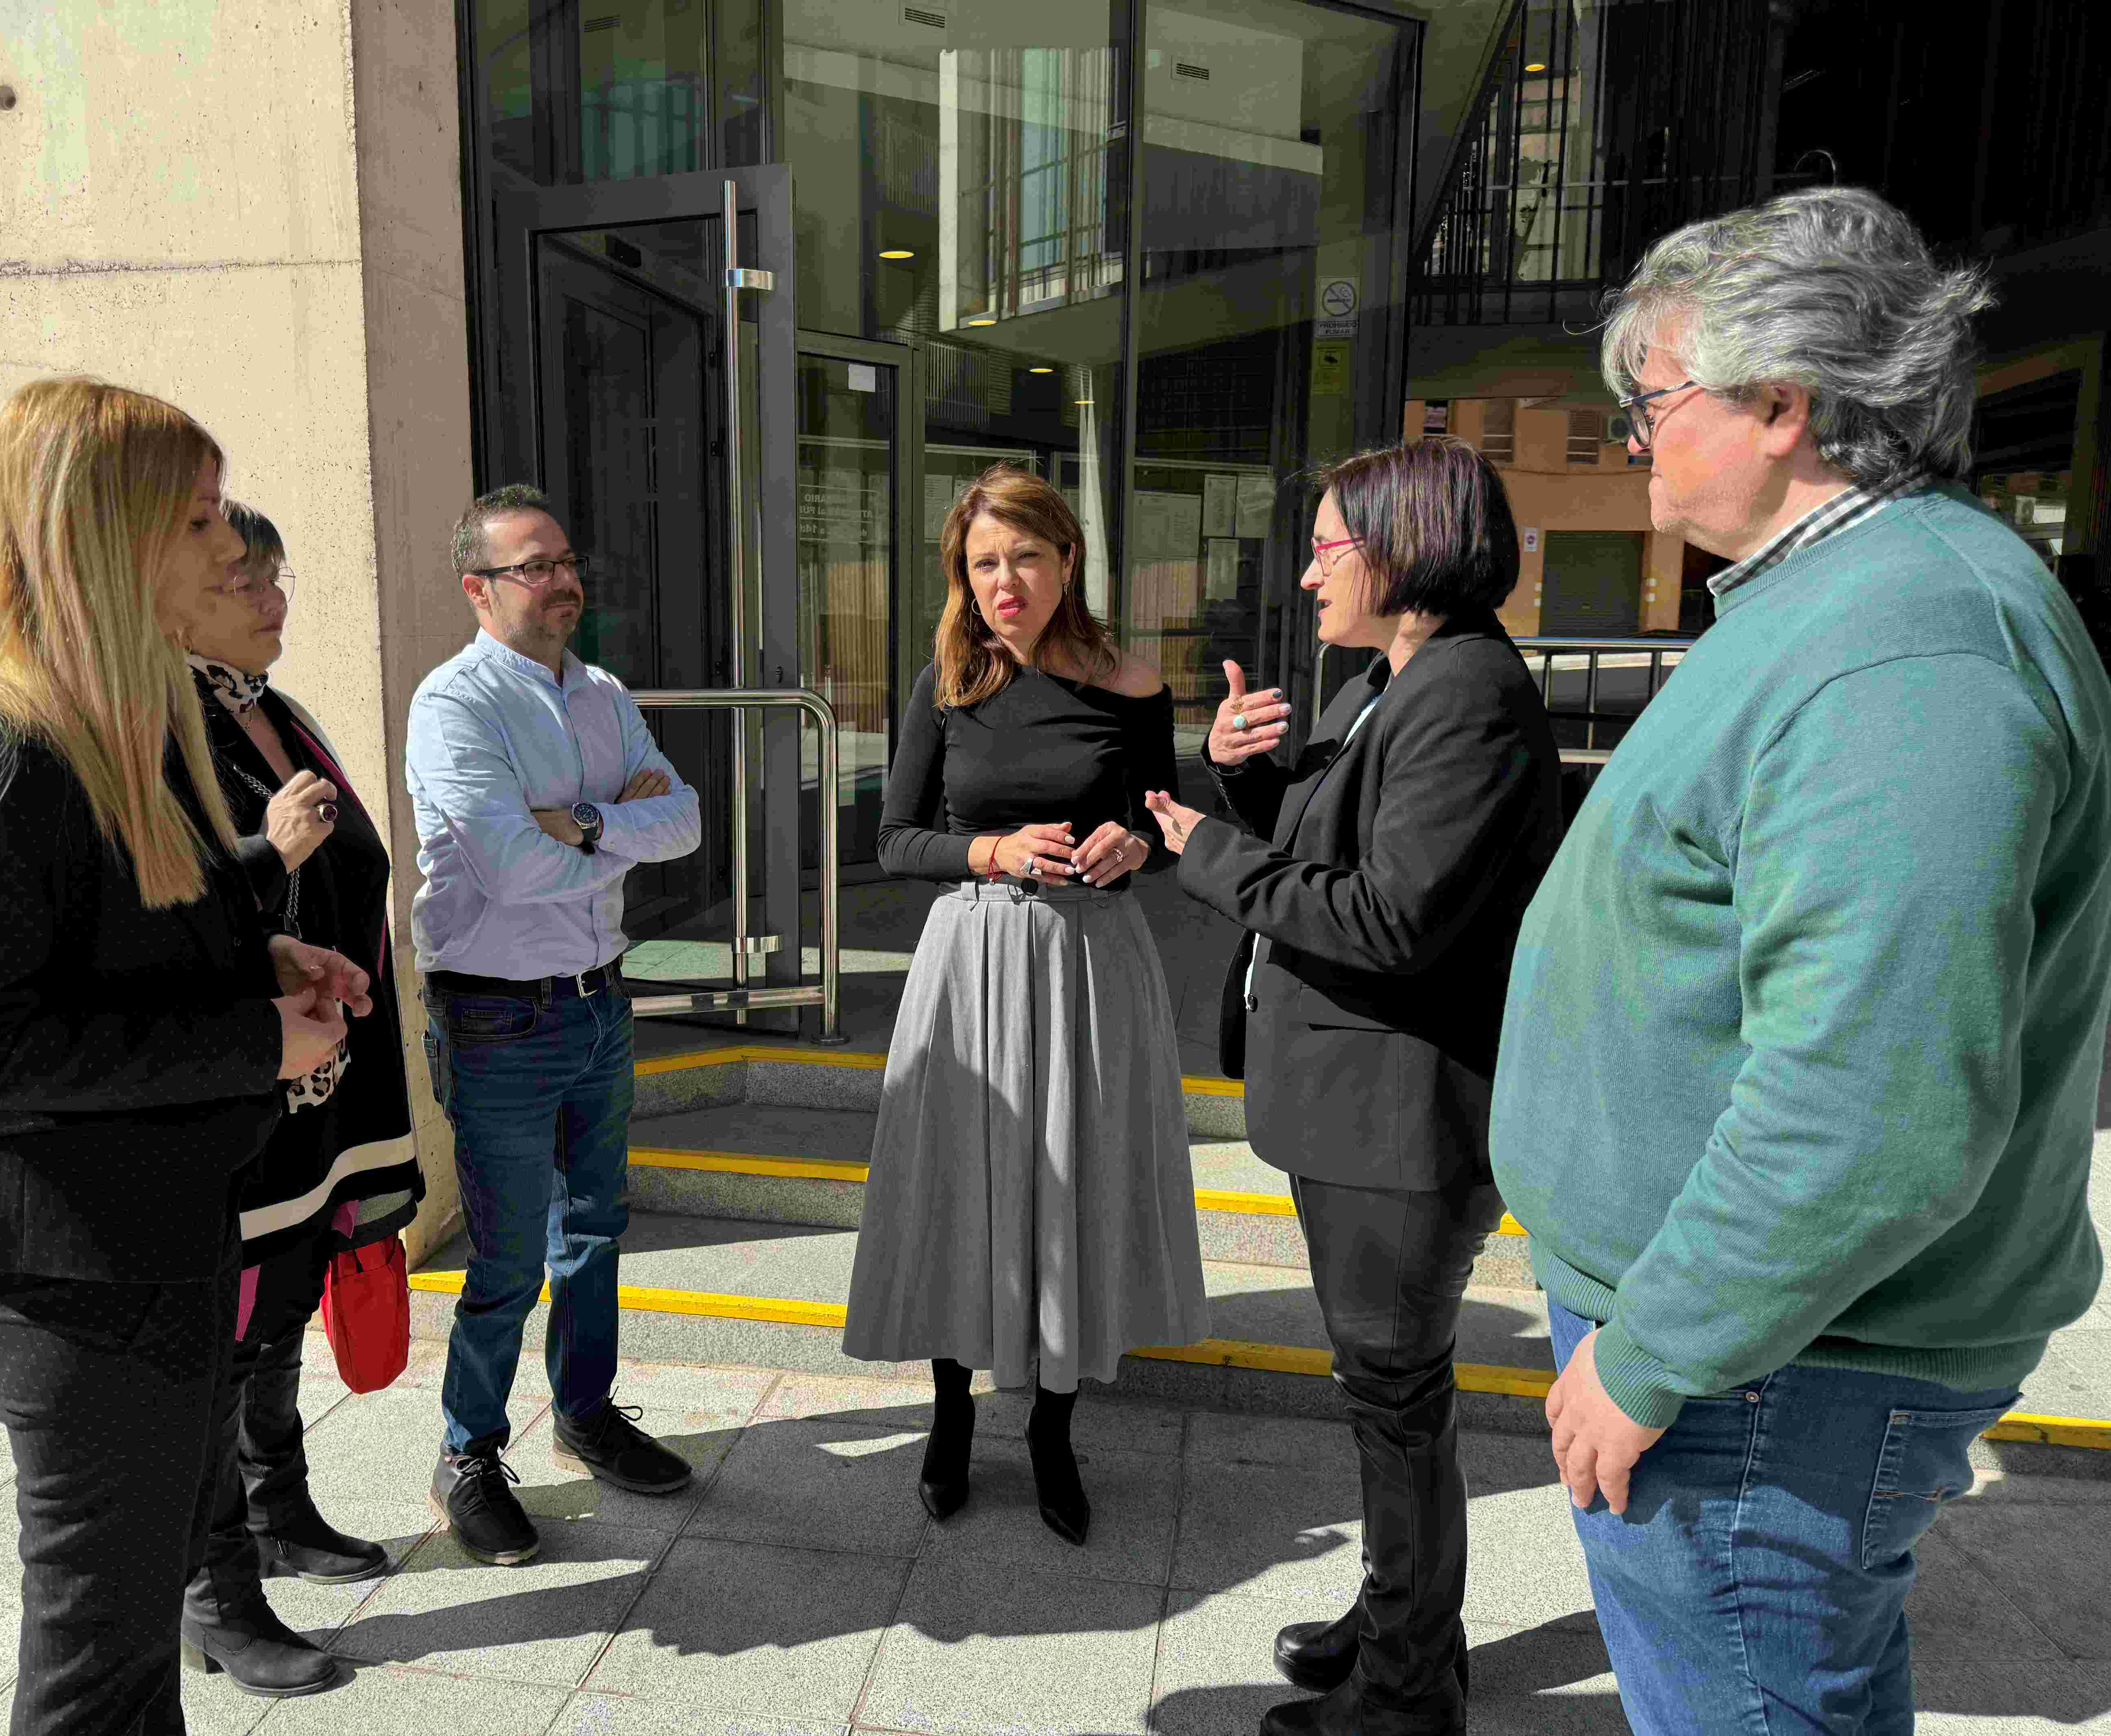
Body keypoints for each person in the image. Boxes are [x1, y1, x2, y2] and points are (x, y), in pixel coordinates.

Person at [1491, 187, 2111, 1734]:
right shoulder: (1846, 601)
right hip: (1763, 1353)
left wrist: (1651, 1355)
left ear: (1783, 405)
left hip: (1766, 1371)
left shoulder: (1908, 641)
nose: (1634, 438)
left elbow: (1875, 1104)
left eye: (1651, 402)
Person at [0, 378, 365, 1736]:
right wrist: (254, 1033)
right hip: (76, 1281)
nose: (231, 550)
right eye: (199, 518)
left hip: (144, 1248)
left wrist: (259, 963)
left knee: (131, 1646)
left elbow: (110, 947)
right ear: (105, 535)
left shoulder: (113, 733)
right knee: (100, 1668)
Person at [1143, 439, 1562, 1736]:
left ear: (1407, 544)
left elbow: (1387, 918)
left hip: (1402, 1122)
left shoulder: (1466, 691)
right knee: (1387, 1403)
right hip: (1352, 1106)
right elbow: (1334, 839)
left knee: (1396, 1399)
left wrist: (1207, 849)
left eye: (1331, 543)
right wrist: (1248, 775)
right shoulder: (1393, 676)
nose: (1312, 568)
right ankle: (1399, 1619)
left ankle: (1408, 1688)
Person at [842, 462, 1209, 1547]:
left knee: (1073, 1183)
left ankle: (1054, 1424)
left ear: (1069, 561)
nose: (1005, 581)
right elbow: (894, 841)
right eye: (984, 562)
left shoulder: (1135, 685)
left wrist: (1136, 842)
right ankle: (952, 1412)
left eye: (1025, 558)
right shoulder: (945, 684)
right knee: (966, 1182)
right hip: (976, 961)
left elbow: (1161, 828)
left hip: (1094, 967)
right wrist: (991, 848)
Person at [404, 482, 702, 1565]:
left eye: (567, 560)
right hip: (498, 1022)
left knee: (597, 1230)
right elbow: (509, 867)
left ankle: (585, 1411)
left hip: (597, 1004)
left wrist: (580, 820)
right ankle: (469, 1452)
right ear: (479, 588)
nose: (564, 580)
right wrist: (622, 821)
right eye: (536, 565)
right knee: (508, 1259)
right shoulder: (456, 706)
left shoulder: (605, 694)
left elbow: (689, 820)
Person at [175, 500, 426, 1696]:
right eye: (243, 581)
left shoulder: (274, 709)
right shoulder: (163, 726)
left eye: (278, 576)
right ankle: (213, 1592)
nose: (275, 601)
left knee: (279, 1303)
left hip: (321, 1080)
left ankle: (279, 1508)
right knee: (221, 1336)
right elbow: (171, 920)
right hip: (243, 1087)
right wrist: (271, 854)